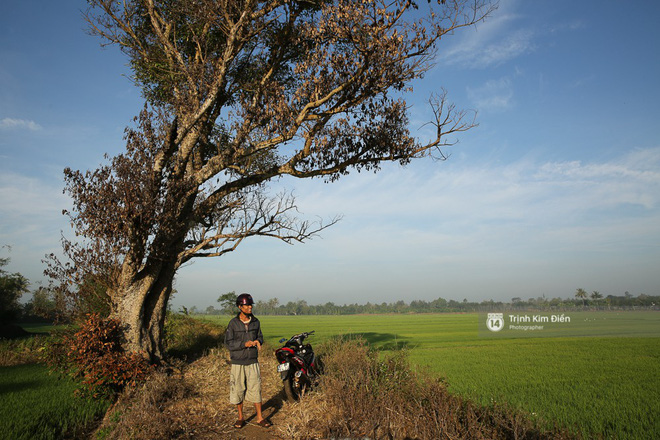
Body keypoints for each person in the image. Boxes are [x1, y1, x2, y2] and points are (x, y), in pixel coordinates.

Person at [224, 293, 272, 429]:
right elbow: (228, 343)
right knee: (238, 390)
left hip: (252, 361)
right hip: (238, 362)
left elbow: (260, 336)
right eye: (247, 305)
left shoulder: (256, 322)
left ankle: (260, 418)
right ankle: (240, 418)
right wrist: (244, 344)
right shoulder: (233, 323)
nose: (250, 307)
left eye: (251, 305)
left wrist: (258, 341)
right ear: (240, 307)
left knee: (256, 389)